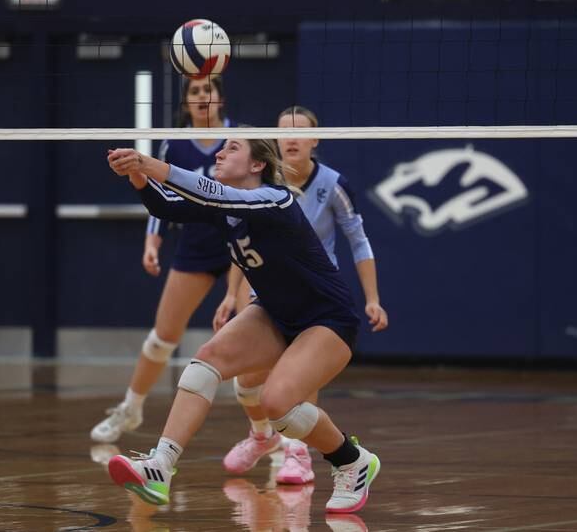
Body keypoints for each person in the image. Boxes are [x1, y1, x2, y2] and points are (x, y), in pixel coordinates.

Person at [105, 136, 381, 514]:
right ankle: (160, 467)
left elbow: (209, 195)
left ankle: (352, 461)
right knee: (206, 361)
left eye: (232, 148)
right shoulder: (223, 208)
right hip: (276, 312)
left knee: (277, 404)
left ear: (257, 165)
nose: (218, 152)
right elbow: (165, 205)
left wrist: (148, 163)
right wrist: (136, 173)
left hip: (327, 318)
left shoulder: (276, 199)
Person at [214, 105, 388, 484]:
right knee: (248, 381)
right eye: (282, 131)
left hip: (312, 294)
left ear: (315, 139)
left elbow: (359, 241)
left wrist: (372, 297)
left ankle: (298, 454)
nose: (290, 137)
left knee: (297, 378)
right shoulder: (258, 185)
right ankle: (261, 436)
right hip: (262, 288)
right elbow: (240, 241)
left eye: (299, 130)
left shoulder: (334, 185)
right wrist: (230, 294)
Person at [90, 76, 250, 443]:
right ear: (186, 102)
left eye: (208, 89)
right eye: (194, 91)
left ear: (221, 98)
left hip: (239, 247)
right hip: (194, 245)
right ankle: (130, 409)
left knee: (255, 336)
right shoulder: (174, 145)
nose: (201, 96)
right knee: (163, 338)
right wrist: (152, 241)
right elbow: (160, 195)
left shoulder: (241, 139)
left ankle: (272, 431)